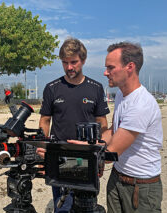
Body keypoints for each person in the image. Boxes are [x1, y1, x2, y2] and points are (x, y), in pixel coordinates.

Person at [69, 42, 163, 212]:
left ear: (130, 67)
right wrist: (91, 144)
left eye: (110, 68)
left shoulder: (141, 104)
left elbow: (111, 153)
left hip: (140, 186)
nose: (105, 73)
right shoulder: (121, 94)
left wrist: (73, 153)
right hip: (118, 178)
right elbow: (113, 131)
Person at [36, 37, 110, 213]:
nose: (69, 67)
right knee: (62, 208)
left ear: (83, 60)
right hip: (59, 158)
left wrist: (101, 151)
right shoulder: (52, 88)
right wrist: (41, 148)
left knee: (86, 207)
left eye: (74, 62)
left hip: (87, 158)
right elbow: (45, 120)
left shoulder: (96, 88)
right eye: (65, 62)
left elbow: (103, 123)